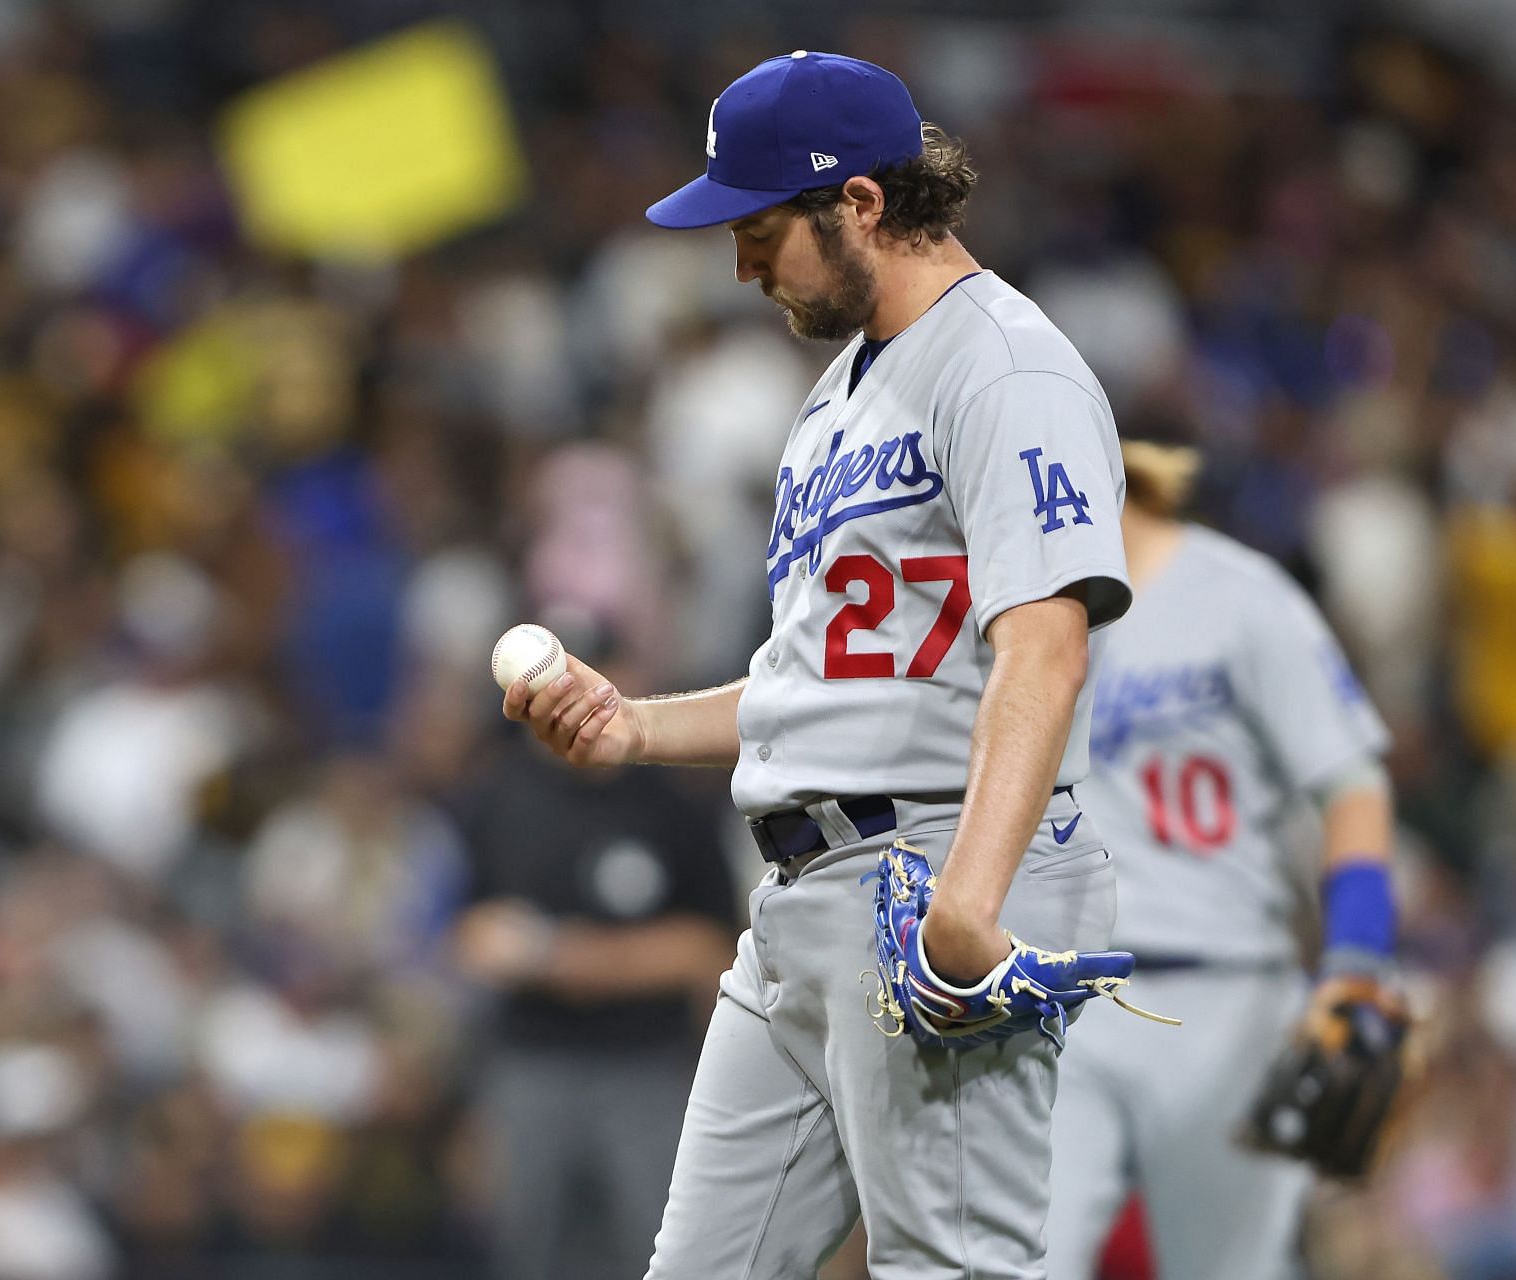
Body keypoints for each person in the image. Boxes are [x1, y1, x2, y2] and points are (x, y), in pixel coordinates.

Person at [504, 51, 1138, 1279]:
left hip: (932, 865)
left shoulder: (1007, 367)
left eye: (759, 228)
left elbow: (1046, 641)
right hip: (801, 899)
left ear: (860, 202)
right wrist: (634, 726)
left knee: (947, 1265)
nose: (740, 263)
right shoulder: (838, 398)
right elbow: (825, 681)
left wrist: (973, 892)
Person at [1044, 441, 1399, 1280]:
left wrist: (1355, 959)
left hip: (1227, 994)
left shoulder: (1240, 598)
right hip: (1060, 1004)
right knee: (1016, 1263)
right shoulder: (1004, 615)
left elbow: (1353, 787)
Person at [449, 626, 740, 1280]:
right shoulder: (502, 794)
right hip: (529, 1064)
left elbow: (711, 949)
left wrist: (560, 958)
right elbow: (467, 936)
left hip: (644, 1068)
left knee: (661, 1255)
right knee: (524, 1255)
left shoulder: (670, 798)